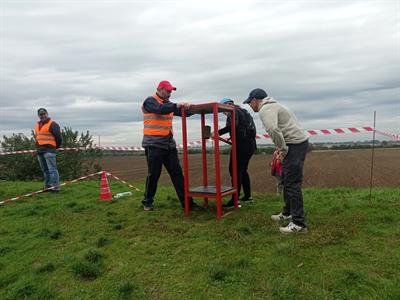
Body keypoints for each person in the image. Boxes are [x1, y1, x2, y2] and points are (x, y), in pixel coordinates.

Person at [243, 88, 309, 234]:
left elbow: (273, 129)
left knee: (292, 184)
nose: (249, 105)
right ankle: (287, 213)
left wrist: (282, 149)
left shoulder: (265, 109)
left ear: (255, 100)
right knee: (286, 180)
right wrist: (282, 149)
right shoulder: (274, 106)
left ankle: (299, 224)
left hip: (294, 145)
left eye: (249, 102)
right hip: (296, 143)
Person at [141, 80, 202, 211]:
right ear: (160, 89)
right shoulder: (150, 101)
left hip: (169, 145)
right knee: (154, 175)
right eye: (167, 91)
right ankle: (147, 201)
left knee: (177, 174)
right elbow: (160, 109)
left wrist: (191, 108)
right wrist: (177, 105)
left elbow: (181, 112)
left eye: (170, 91)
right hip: (154, 145)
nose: (169, 93)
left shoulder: (168, 104)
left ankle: (188, 203)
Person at [214, 98, 257, 208]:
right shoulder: (242, 111)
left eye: (222, 109)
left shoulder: (233, 112)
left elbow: (233, 126)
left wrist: (217, 132)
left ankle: (234, 200)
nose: (223, 113)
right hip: (250, 144)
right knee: (242, 170)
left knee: (234, 170)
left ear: (228, 105)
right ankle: (247, 196)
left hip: (242, 145)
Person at [34, 108, 62, 192]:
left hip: (49, 150)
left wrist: (55, 147)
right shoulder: (37, 125)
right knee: (45, 171)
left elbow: (59, 138)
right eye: (41, 114)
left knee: (52, 170)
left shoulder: (53, 124)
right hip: (40, 151)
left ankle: (55, 188)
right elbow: (37, 138)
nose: (42, 115)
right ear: (38, 116)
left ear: (47, 114)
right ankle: (48, 186)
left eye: (44, 114)